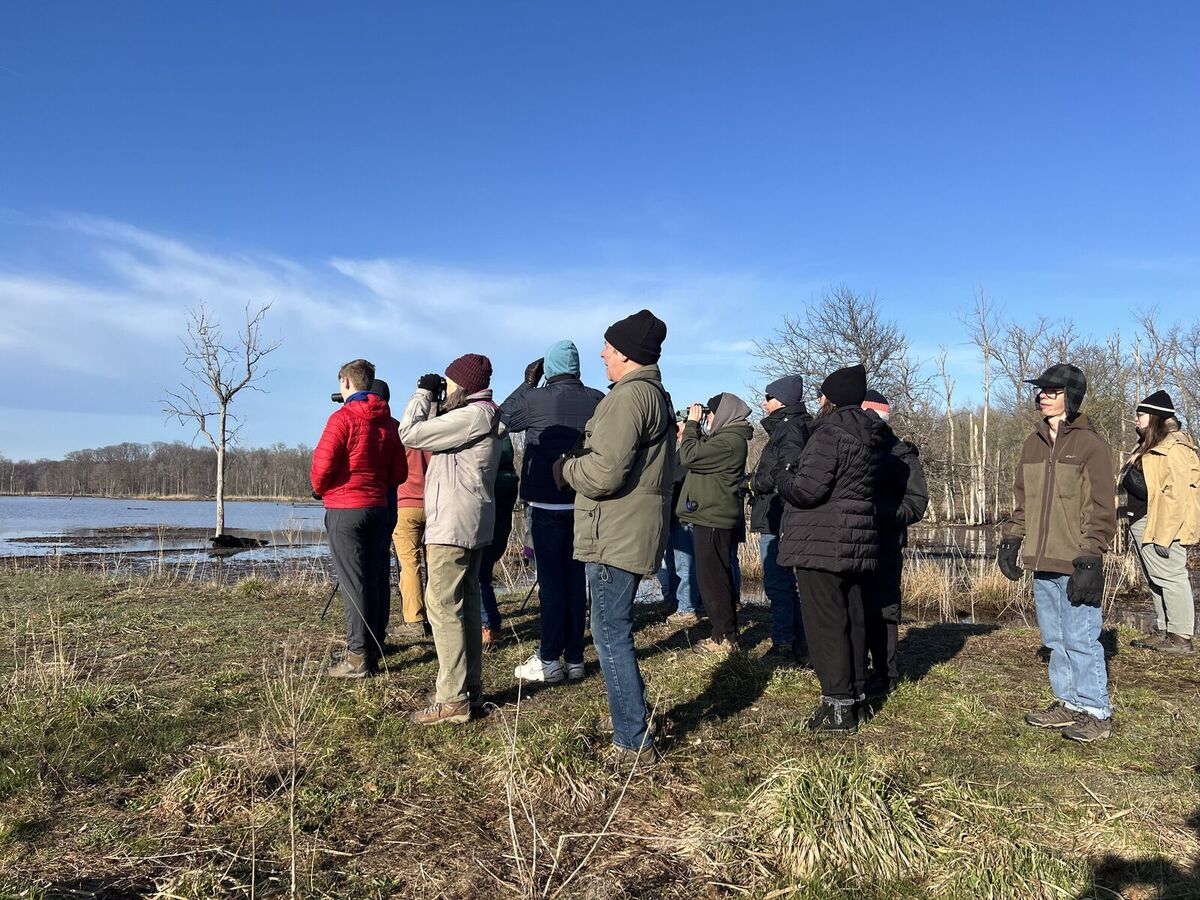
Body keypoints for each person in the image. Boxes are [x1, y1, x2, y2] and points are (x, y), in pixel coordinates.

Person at [558, 309, 673, 767]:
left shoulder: (628, 398)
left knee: (609, 634)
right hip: (630, 528)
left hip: (616, 532)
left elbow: (604, 474)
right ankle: (636, 724)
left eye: (608, 346)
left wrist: (566, 469)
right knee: (613, 630)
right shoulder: (652, 394)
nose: (602, 353)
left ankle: (632, 741)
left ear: (626, 354)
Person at [997, 363, 1117, 743]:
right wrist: (1013, 540)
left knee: (1081, 637)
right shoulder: (1032, 443)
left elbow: (1102, 507)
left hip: (1076, 559)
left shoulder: (1091, 445)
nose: (1043, 396)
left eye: (1052, 390)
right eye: (1041, 390)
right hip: (1041, 558)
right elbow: (1023, 500)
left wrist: (1091, 556)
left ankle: (1096, 710)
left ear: (1072, 396)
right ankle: (1067, 703)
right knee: (1055, 638)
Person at [774, 364, 886, 733]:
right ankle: (855, 695)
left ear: (831, 399)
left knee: (825, 623)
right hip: (856, 541)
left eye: (822, 394)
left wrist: (782, 475)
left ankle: (837, 706)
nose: (819, 400)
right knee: (852, 616)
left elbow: (808, 490)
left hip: (820, 542)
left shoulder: (829, 433)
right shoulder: (869, 434)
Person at [398, 354, 504, 726]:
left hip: (453, 527)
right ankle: (468, 690)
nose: (447, 389)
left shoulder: (470, 417)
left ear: (464, 385)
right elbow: (436, 432)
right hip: (470, 524)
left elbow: (409, 434)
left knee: (442, 606)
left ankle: (452, 698)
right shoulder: (480, 416)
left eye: (450, 383)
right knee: (466, 605)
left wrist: (422, 394)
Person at [500, 340, 604, 684]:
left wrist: (527, 383)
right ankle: (575, 657)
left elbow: (501, 420)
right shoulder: (597, 399)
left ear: (550, 369)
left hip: (544, 502)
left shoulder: (535, 398)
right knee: (576, 580)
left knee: (551, 582)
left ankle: (549, 657)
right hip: (583, 501)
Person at [311, 359, 407, 678]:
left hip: (345, 508)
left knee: (354, 584)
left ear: (348, 382)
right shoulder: (389, 424)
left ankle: (357, 656)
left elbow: (323, 464)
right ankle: (376, 644)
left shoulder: (343, 419)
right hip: (379, 508)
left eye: (341, 382)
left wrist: (319, 488)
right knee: (377, 578)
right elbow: (399, 473)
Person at [861, 390, 928, 693]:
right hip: (852, 542)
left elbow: (916, 504)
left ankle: (886, 674)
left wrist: (878, 512)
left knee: (884, 609)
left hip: (885, 542)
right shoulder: (852, 447)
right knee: (855, 606)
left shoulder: (902, 455)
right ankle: (855, 667)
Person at [1122, 391, 1197, 654]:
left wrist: (1165, 536)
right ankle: (1166, 630)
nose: (1135, 419)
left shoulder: (1174, 449)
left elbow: (1178, 497)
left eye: (1140, 414)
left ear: (1154, 417)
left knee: (1172, 577)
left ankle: (1181, 638)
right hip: (1143, 522)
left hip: (1162, 526)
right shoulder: (1150, 445)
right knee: (1156, 579)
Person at [678, 393, 753, 654]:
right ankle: (724, 633)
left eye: (710, 414)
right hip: (710, 515)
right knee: (714, 576)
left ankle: (724, 638)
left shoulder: (730, 441)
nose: (707, 418)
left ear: (723, 414)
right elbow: (696, 455)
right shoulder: (725, 438)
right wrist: (692, 431)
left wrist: (690, 426)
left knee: (713, 579)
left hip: (714, 517)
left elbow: (689, 457)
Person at [745, 375, 811, 663]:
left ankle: (784, 645)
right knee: (783, 583)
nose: (764, 401)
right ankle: (798, 642)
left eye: (768, 397)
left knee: (777, 583)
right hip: (777, 513)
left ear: (782, 401)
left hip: (778, 515)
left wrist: (755, 483)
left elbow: (787, 469)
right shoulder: (786, 427)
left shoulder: (790, 429)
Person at [658, 418, 703, 625]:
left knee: (685, 566)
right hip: (673, 516)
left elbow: (676, 478)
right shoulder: (680, 452)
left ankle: (687, 608)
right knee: (674, 563)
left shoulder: (693, 452)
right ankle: (677, 603)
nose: (676, 426)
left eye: (681, 423)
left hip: (684, 516)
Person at [479, 434, 519, 647]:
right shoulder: (510, 479)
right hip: (500, 533)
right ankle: (490, 624)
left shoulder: (488, 480)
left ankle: (489, 626)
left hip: (484, 531)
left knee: (479, 575)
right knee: (484, 574)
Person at [391, 436, 432, 643]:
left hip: (406, 504)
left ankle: (415, 620)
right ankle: (437, 616)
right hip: (435, 504)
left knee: (409, 564)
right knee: (436, 564)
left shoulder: (404, 436)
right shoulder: (438, 434)